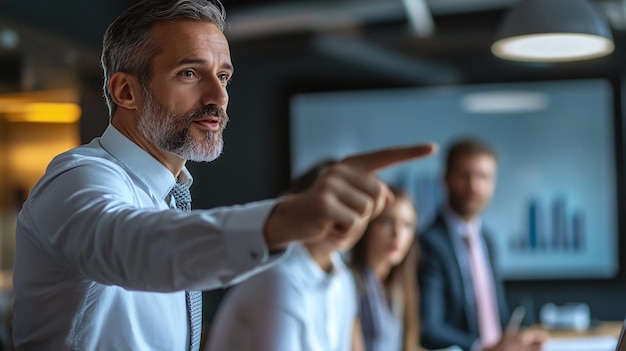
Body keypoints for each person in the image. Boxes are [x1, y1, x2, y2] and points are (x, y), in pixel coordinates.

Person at [11, 0, 437, 350]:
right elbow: (139, 245)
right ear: (126, 91)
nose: (218, 97)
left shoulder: (167, 194)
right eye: (190, 74)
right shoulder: (77, 180)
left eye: (224, 76)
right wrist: (285, 219)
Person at [206, 159, 365, 351]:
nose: (347, 219)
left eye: (355, 207)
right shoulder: (278, 273)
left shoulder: (343, 278)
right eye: (334, 203)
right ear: (296, 203)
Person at [417, 137, 544, 351]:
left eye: (483, 177)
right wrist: (482, 348)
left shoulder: (487, 240)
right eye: (464, 175)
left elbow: (496, 319)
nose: (474, 186)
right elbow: (429, 329)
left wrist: (516, 340)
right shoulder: (428, 244)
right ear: (445, 179)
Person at [348, 185, 420, 351]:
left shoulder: (399, 284)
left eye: (407, 225)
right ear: (367, 226)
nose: (397, 234)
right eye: (387, 222)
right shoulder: (349, 281)